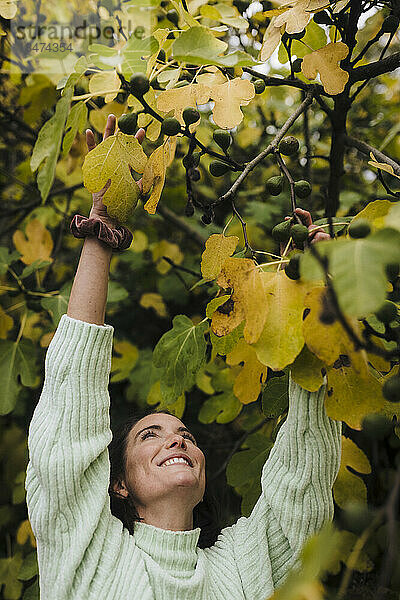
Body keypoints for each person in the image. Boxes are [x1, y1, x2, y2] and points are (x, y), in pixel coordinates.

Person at [25, 115, 342, 600]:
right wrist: (99, 237)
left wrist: (304, 307)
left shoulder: (244, 565)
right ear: (120, 486)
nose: (178, 442)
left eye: (185, 435)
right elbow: (69, 419)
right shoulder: (87, 551)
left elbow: (303, 486)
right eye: (151, 436)